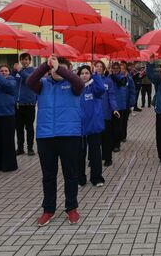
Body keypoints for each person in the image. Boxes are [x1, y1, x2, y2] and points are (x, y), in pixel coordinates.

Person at [27, 56, 84, 226]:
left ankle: (71, 208)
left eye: (62, 68)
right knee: (48, 176)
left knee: (71, 174)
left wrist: (61, 69)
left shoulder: (73, 85)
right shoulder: (42, 84)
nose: (57, 71)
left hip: (69, 135)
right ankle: (48, 209)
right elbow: (30, 81)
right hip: (46, 137)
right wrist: (46, 64)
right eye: (54, 68)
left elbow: (80, 84)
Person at [77, 65, 106, 187]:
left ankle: (96, 177)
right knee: (79, 155)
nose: (84, 75)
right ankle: (80, 179)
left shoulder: (94, 87)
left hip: (93, 126)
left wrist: (96, 75)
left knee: (95, 154)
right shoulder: (76, 88)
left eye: (87, 73)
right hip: (79, 127)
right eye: (82, 73)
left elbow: (102, 89)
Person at [94, 61, 120, 167]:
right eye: (97, 66)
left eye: (101, 67)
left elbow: (111, 96)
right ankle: (93, 158)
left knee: (106, 138)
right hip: (93, 115)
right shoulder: (90, 80)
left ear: (104, 69)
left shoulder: (108, 81)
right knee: (94, 139)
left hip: (105, 114)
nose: (99, 68)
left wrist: (114, 108)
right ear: (94, 67)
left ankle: (107, 158)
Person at [13, 53, 37, 156]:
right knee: (19, 128)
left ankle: (30, 148)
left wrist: (20, 71)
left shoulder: (33, 71)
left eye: (26, 60)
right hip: (18, 105)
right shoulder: (17, 71)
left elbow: (29, 79)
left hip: (29, 104)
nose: (24, 62)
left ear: (30, 61)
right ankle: (20, 148)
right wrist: (14, 71)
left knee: (29, 128)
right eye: (22, 60)